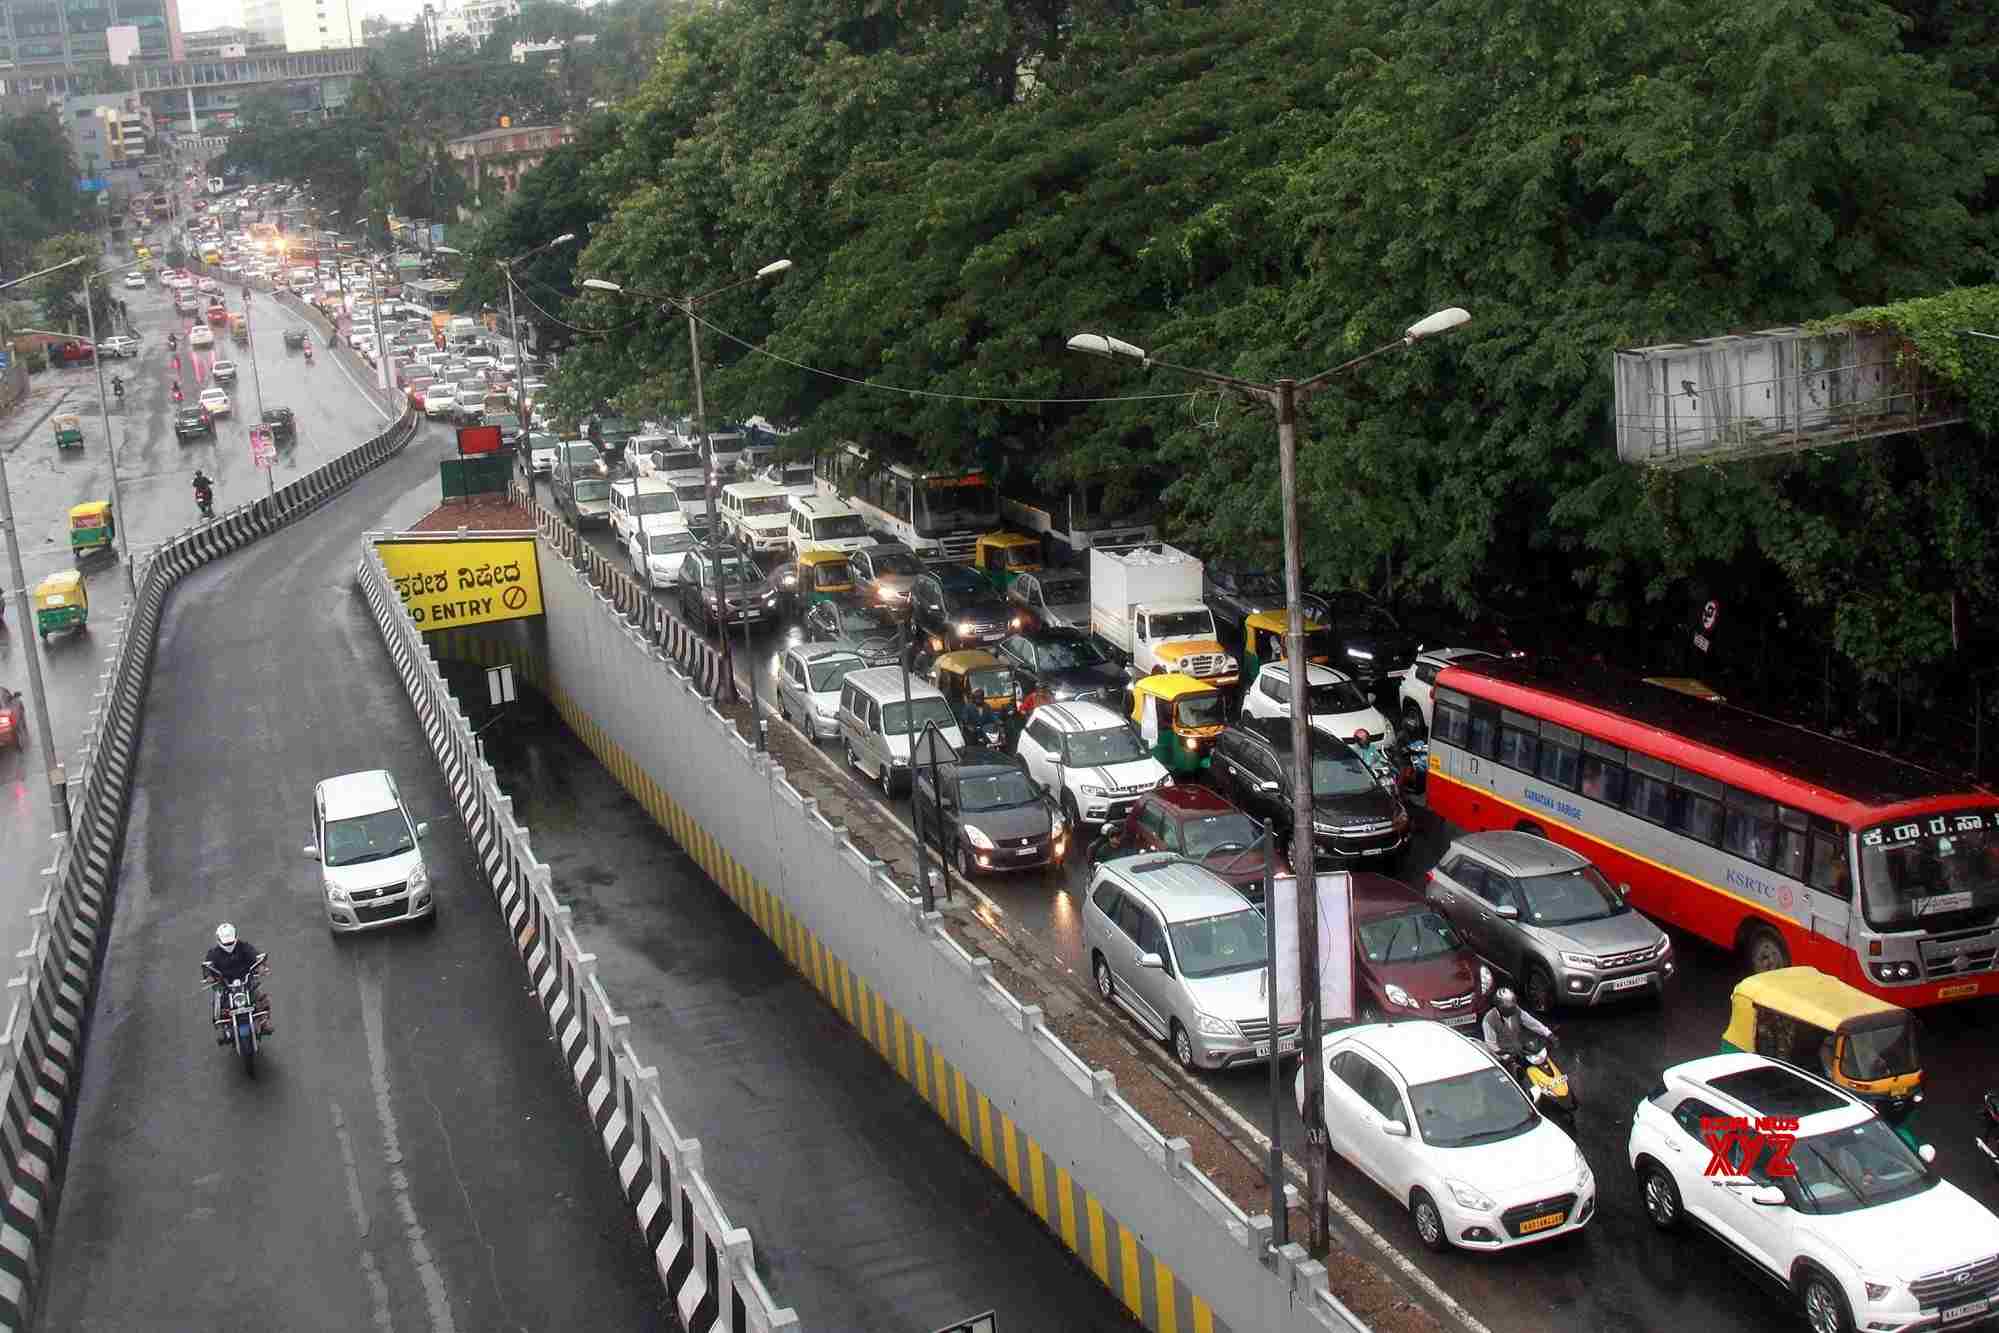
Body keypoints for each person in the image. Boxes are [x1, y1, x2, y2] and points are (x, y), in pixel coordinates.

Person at [202, 923, 272, 1040]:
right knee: (218, 999)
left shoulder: (244, 946)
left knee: (261, 996)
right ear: (219, 940)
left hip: (246, 979)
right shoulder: (213, 953)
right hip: (224, 983)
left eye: (230, 942)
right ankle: (222, 1026)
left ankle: (264, 1022)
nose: (229, 945)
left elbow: (255, 955)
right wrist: (209, 976)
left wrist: (261, 967)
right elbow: (207, 966)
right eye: (226, 943)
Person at [1481, 987, 1551, 1070]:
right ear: (1499, 1007)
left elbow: (1532, 1022)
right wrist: (1507, 1056)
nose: (1512, 1011)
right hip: (1502, 1058)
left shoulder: (1516, 1010)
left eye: (1512, 1008)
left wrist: (1548, 1033)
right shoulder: (1489, 1020)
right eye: (1508, 1009)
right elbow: (1491, 1044)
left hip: (1518, 1051)